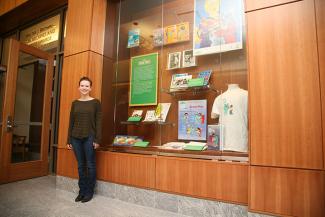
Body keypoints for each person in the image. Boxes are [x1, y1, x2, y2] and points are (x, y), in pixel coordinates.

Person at [67, 76, 102, 203]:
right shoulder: (74, 103)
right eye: (82, 85)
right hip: (75, 138)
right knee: (81, 166)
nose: (84, 88)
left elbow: (98, 122)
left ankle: (89, 192)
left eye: (87, 86)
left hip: (89, 137)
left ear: (90, 88)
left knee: (90, 165)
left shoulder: (96, 102)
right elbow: (71, 121)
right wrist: (68, 140)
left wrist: (97, 140)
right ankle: (81, 191)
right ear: (79, 87)